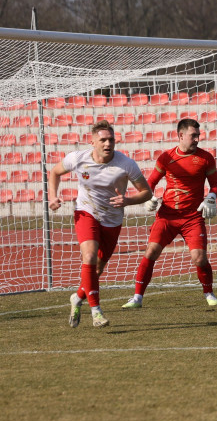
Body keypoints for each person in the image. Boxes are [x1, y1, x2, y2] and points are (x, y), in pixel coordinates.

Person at [47, 121, 152, 328]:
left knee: (97, 269)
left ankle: (77, 297)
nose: (107, 143)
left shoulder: (126, 164)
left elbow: (146, 192)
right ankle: (96, 312)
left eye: (111, 139)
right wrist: (53, 196)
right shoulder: (78, 158)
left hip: (112, 220)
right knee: (89, 256)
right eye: (103, 140)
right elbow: (55, 172)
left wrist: (128, 200)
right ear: (92, 141)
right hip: (86, 212)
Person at [122, 118, 217, 308]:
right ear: (180, 135)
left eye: (198, 135)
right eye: (193, 135)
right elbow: (150, 182)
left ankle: (209, 293)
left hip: (192, 217)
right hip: (167, 215)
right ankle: (137, 297)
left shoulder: (206, 158)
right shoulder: (166, 157)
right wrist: (150, 198)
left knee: (199, 258)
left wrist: (211, 197)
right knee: (151, 252)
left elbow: (215, 185)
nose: (197, 139)